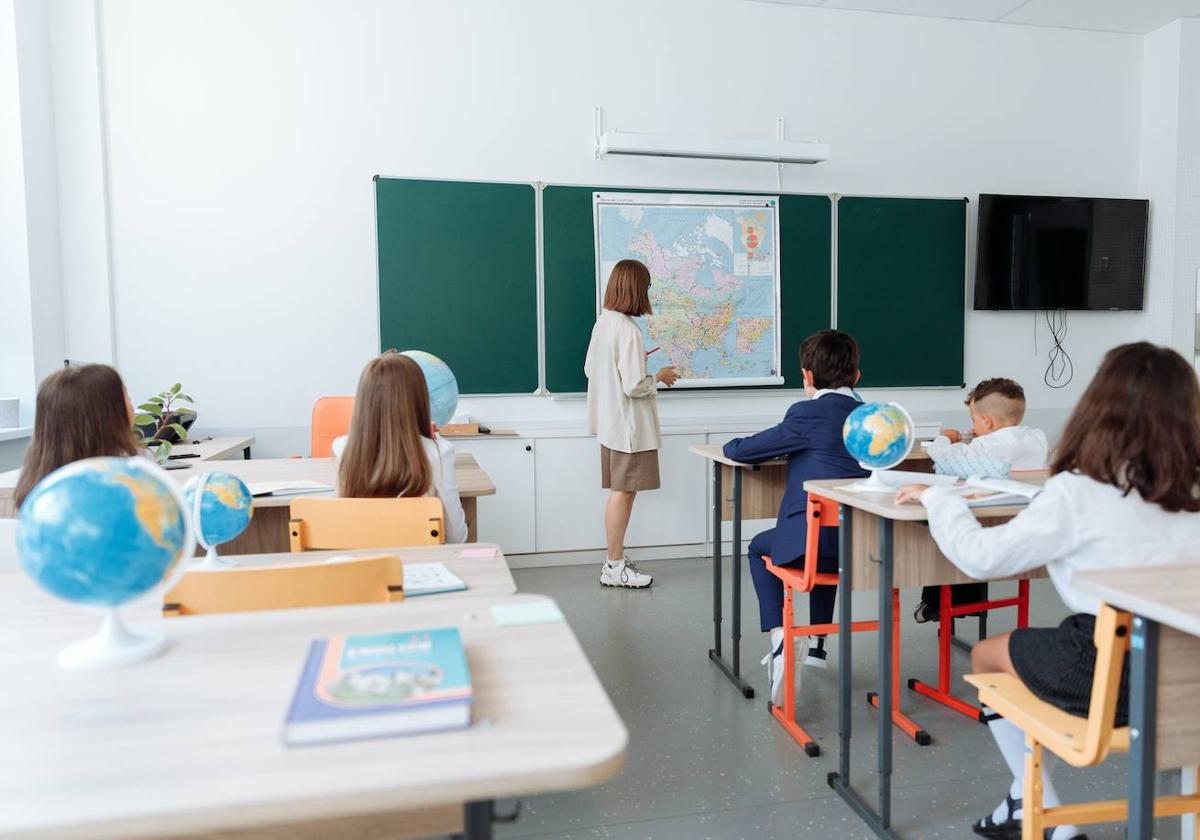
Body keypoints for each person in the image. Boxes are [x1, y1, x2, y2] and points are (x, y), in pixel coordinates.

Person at [896, 342, 1200, 840]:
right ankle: (1023, 800)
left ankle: (1044, 810)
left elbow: (980, 558)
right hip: (1191, 683)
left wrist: (939, 501)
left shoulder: (1080, 490)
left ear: (1098, 409)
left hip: (1110, 677)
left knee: (989, 656)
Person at [722, 330, 868, 704]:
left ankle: (781, 639)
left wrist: (731, 445)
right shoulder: (873, 418)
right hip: (867, 545)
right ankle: (817, 646)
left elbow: (743, 450)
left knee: (758, 548)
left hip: (811, 544)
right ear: (856, 376)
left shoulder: (807, 414)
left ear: (806, 375)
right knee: (832, 536)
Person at [915, 377, 1049, 623]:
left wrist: (946, 437)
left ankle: (937, 603)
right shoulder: (1037, 438)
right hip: (1026, 529)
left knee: (946, 521)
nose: (973, 426)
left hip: (987, 533)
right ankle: (966, 603)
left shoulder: (984, 446)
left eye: (974, 420)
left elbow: (942, 458)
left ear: (987, 421)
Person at [584, 258, 678, 589]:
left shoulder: (603, 323)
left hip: (611, 426)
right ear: (636, 289)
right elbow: (635, 386)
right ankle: (614, 565)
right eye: (648, 286)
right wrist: (659, 376)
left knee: (620, 492)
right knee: (623, 494)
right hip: (629, 430)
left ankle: (615, 561)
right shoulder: (628, 330)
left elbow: (590, 370)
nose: (649, 292)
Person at [333, 352, 467, 544]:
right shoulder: (439, 452)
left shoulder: (341, 447)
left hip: (364, 568)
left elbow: (341, 521)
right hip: (419, 569)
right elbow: (457, 536)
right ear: (418, 399)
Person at [15, 364, 140, 508]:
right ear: (107, 416)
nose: (132, 404)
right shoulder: (134, 473)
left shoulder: (37, 486)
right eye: (127, 397)